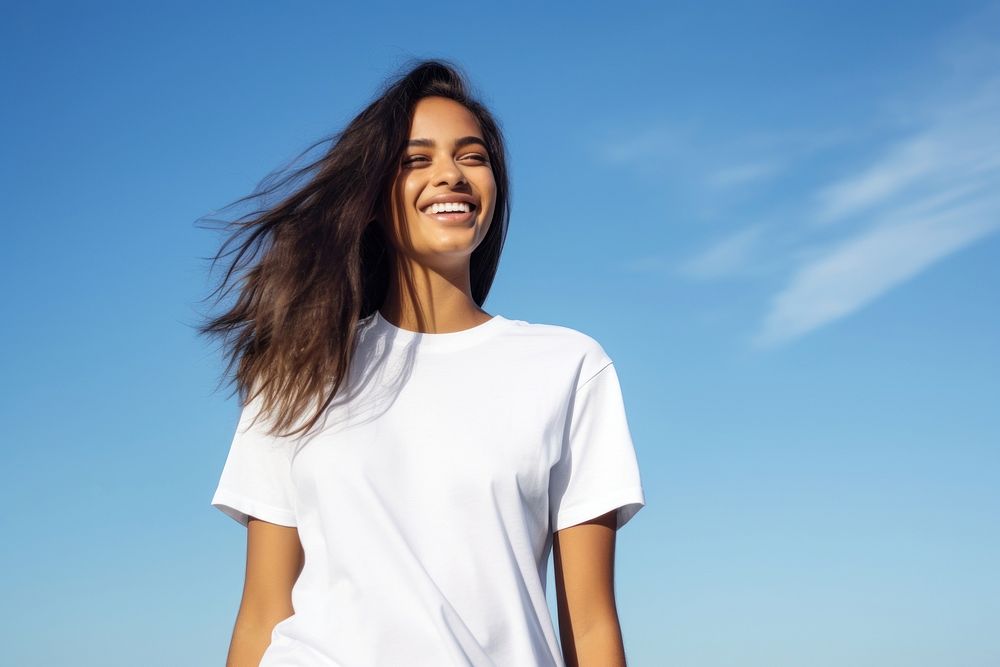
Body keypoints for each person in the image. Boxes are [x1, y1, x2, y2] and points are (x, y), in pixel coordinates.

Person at [199, 58, 646, 667]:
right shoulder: (299, 368)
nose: (451, 175)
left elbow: (591, 626)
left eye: (472, 156)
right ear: (376, 197)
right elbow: (261, 611)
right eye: (417, 159)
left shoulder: (569, 367)